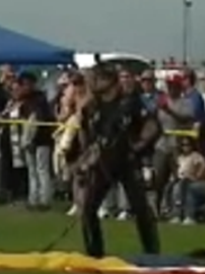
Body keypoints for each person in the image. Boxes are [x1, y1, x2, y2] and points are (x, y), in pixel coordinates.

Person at [66, 63, 161, 258]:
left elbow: (152, 126)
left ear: (108, 81)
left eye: (96, 78)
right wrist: (84, 160)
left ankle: (152, 253)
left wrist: (138, 145)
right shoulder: (91, 108)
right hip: (103, 164)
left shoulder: (129, 103)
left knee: (140, 209)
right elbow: (86, 136)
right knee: (89, 208)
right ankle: (94, 253)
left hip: (127, 162)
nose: (91, 83)